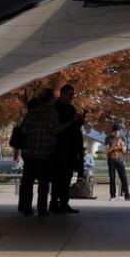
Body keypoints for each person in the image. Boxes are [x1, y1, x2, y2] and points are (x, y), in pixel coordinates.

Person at [14, 90, 59, 215]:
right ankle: (42, 209)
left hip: (31, 153)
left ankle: (27, 208)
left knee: (28, 182)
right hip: (46, 153)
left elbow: (23, 130)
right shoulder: (52, 112)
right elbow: (54, 130)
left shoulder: (33, 112)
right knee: (43, 184)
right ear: (50, 99)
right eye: (54, 98)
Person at [50, 83, 85, 214]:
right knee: (58, 177)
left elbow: (75, 126)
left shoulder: (71, 108)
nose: (72, 97)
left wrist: (80, 120)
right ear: (63, 94)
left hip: (71, 147)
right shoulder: (56, 108)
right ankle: (54, 202)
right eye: (70, 95)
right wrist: (73, 120)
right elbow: (56, 127)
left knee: (67, 176)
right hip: (59, 147)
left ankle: (64, 202)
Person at [104, 124, 130, 200]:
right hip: (111, 160)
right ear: (112, 131)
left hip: (120, 160)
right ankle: (112, 195)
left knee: (124, 178)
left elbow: (124, 151)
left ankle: (127, 195)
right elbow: (106, 151)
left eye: (118, 131)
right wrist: (113, 146)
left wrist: (122, 146)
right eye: (115, 132)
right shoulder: (108, 138)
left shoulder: (122, 137)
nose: (116, 133)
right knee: (112, 178)